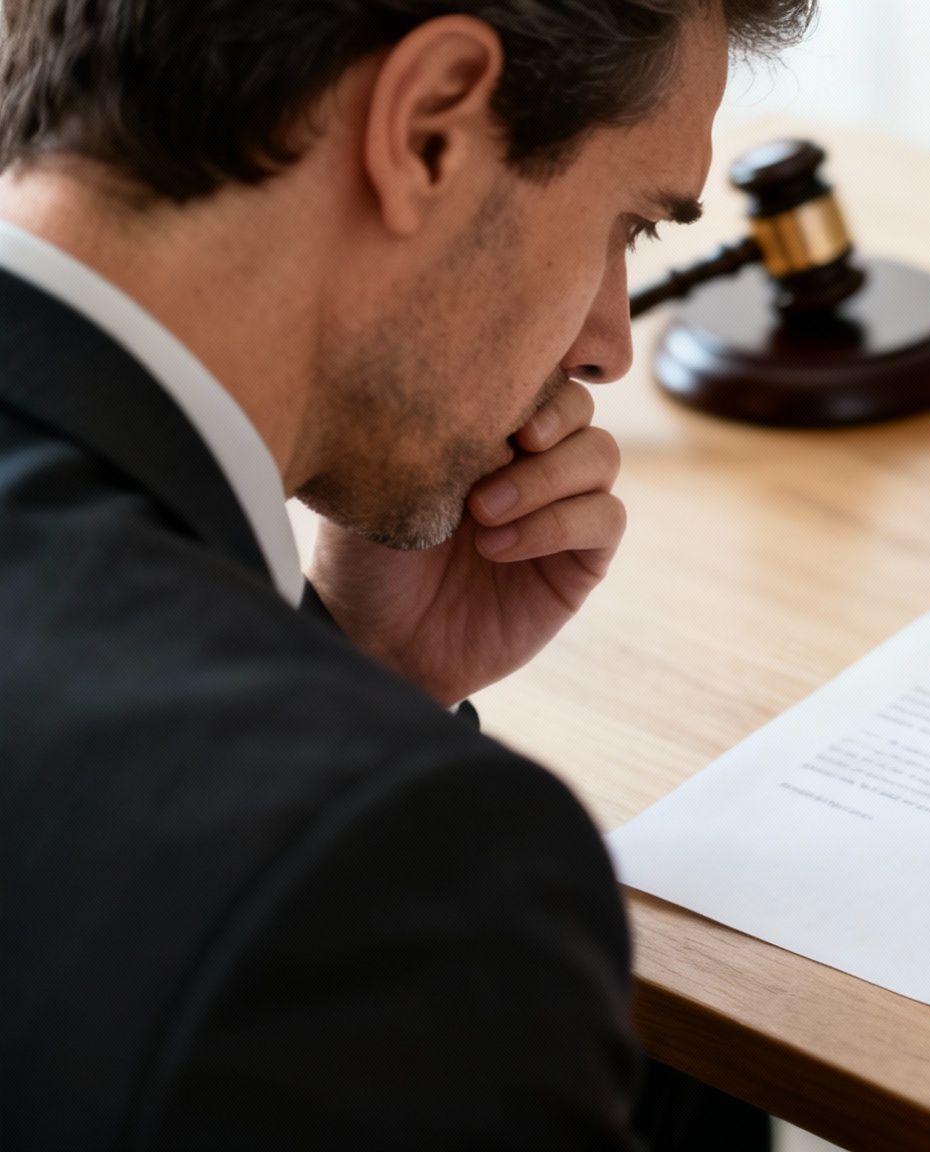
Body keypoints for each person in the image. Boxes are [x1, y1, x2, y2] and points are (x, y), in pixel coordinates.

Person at [0, 1, 812, 1148]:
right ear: (428, 125)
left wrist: (364, 673)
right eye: (628, 226)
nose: (608, 342)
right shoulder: (371, 884)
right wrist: (371, 751)